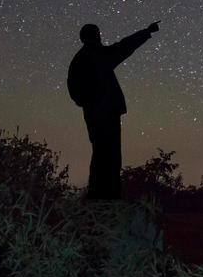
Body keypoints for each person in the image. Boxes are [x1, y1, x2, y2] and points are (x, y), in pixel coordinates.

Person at [68, 20, 159, 201]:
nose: (100, 38)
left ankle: (102, 196)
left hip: (98, 113)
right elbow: (123, 48)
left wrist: (88, 103)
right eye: (97, 35)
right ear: (91, 37)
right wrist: (145, 32)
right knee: (108, 156)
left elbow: (74, 90)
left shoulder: (83, 59)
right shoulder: (95, 56)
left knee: (103, 154)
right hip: (103, 114)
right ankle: (104, 197)